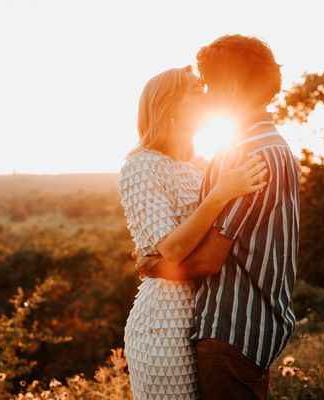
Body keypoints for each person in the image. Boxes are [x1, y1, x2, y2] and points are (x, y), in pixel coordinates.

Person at [136, 35, 301, 400]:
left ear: (229, 86)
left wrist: (152, 266)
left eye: (208, 84)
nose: (206, 94)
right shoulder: (279, 149)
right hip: (259, 327)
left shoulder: (243, 156)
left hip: (229, 330)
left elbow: (210, 259)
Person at [119, 64, 268, 399]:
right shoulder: (141, 166)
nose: (204, 92)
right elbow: (171, 249)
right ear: (168, 106)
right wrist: (221, 193)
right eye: (193, 88)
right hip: (164, 325)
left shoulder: (203, 166)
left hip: (208, 320)